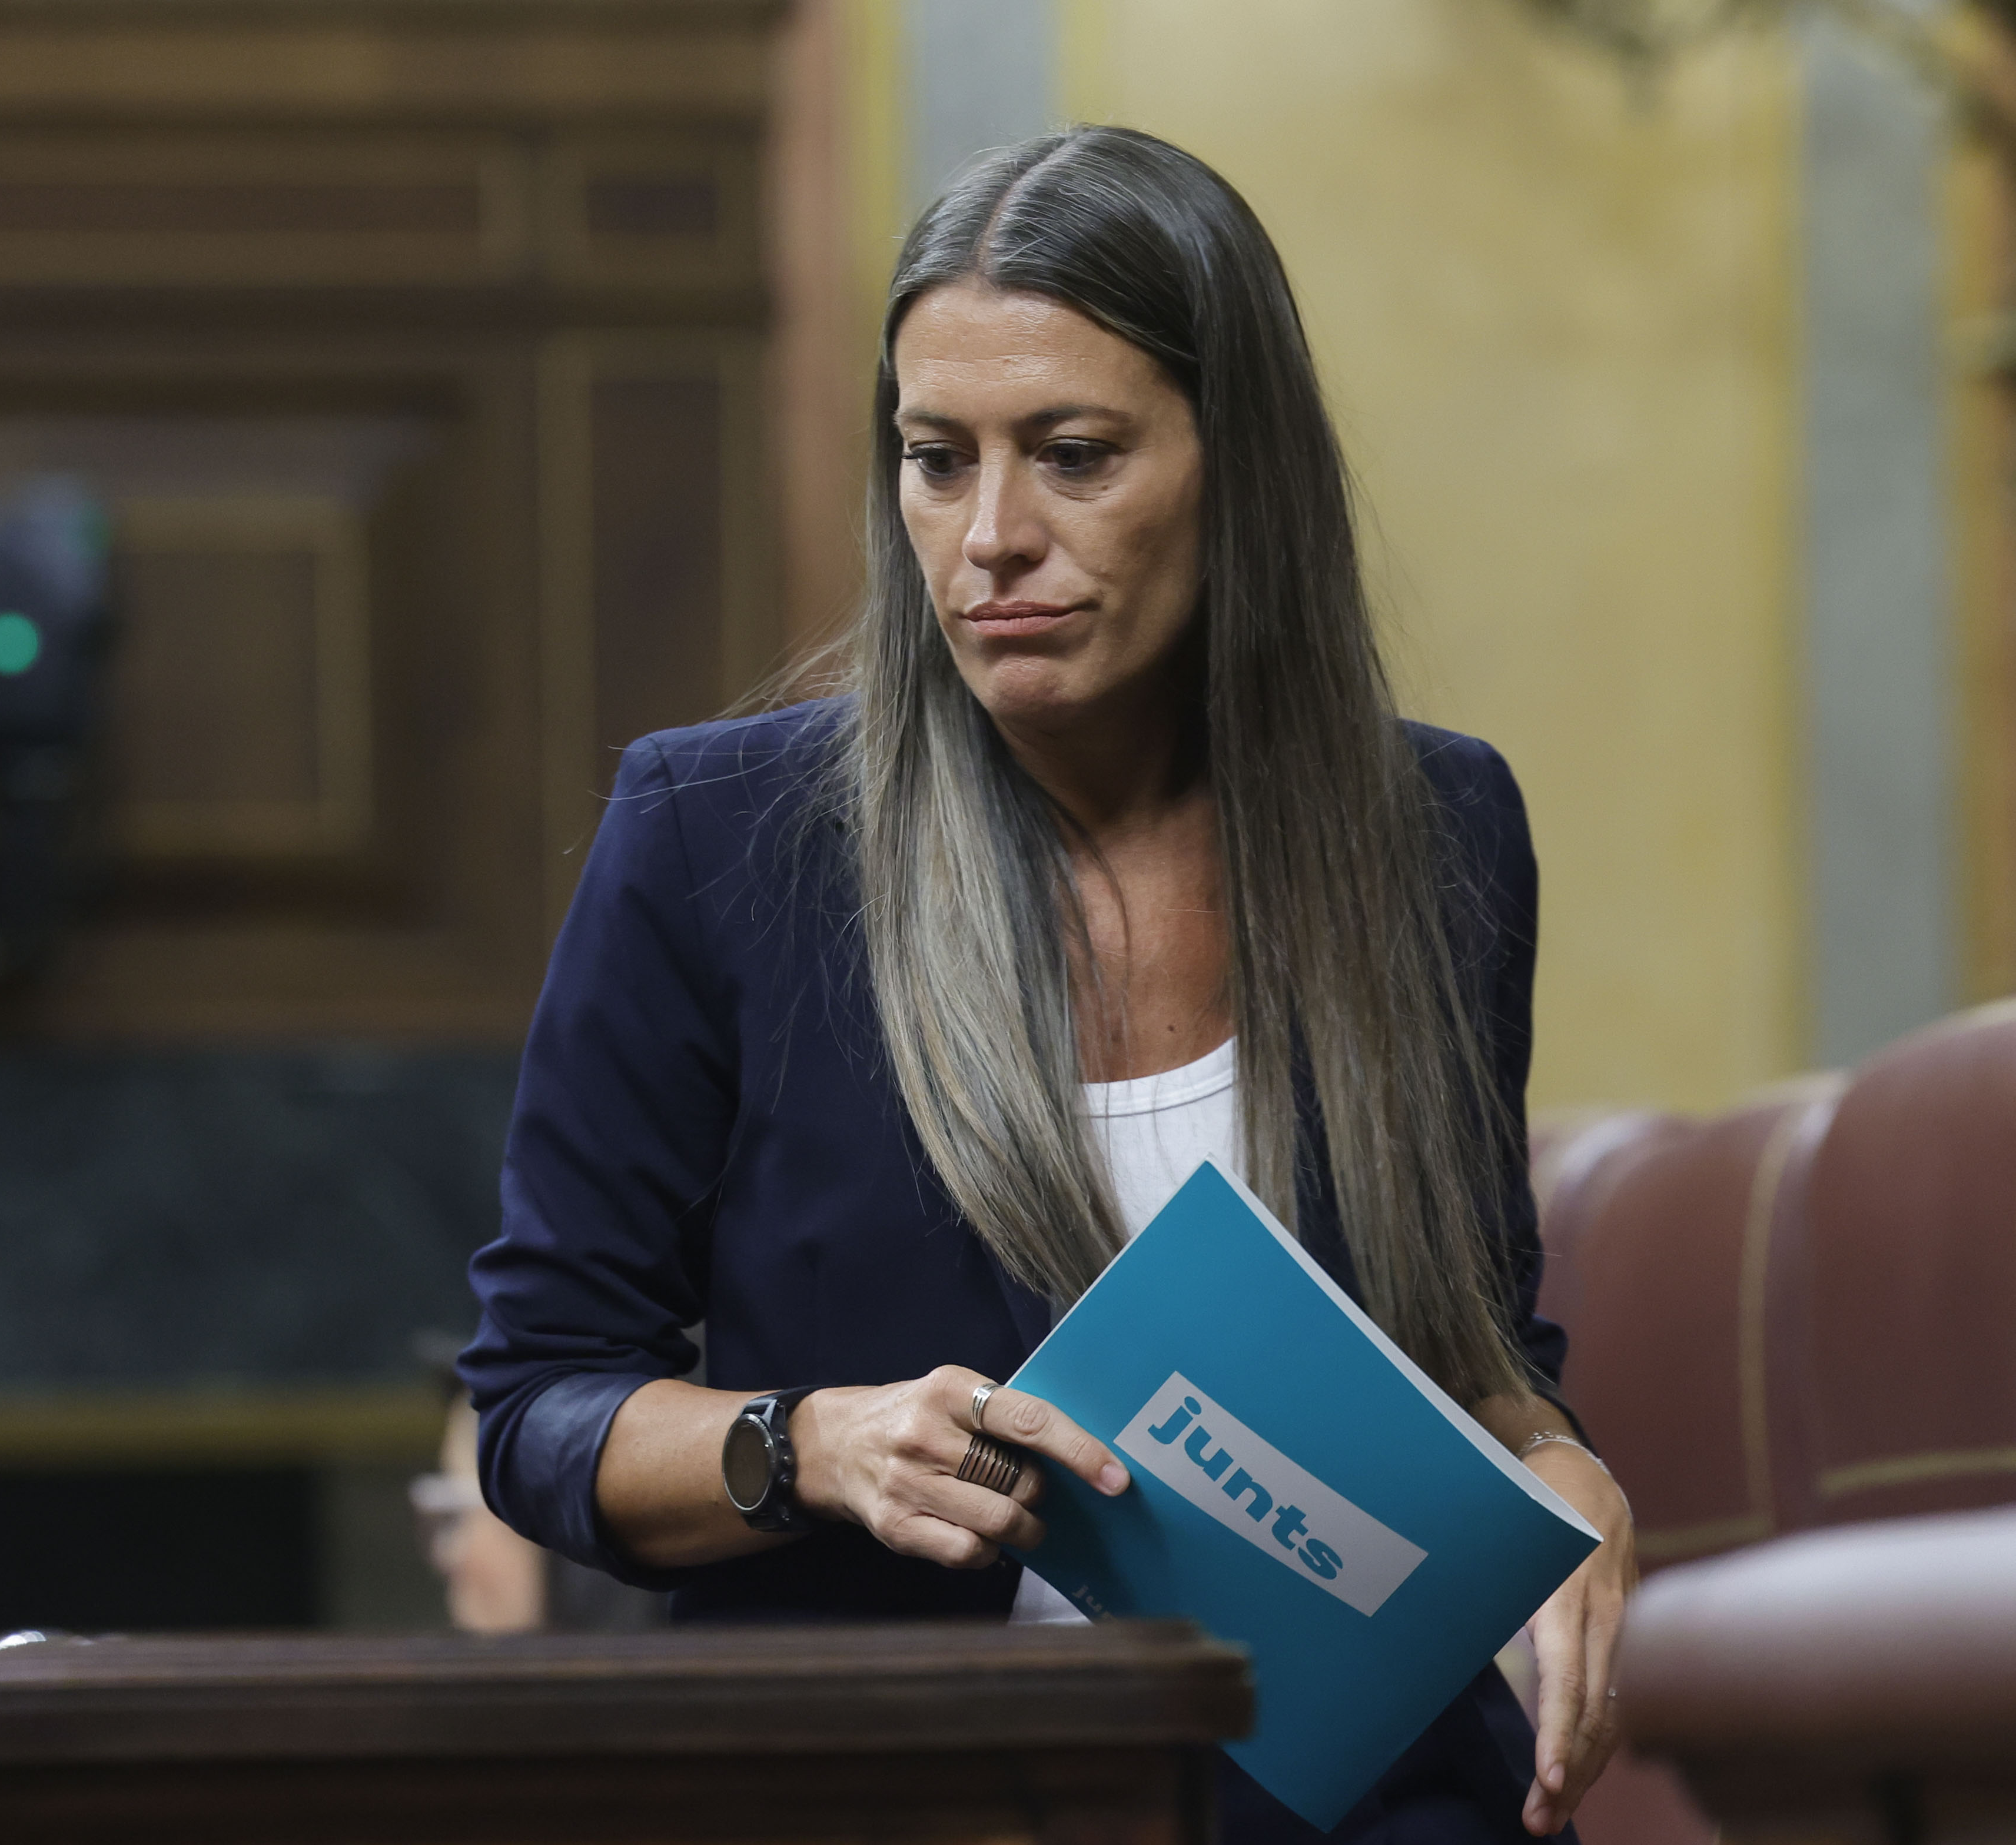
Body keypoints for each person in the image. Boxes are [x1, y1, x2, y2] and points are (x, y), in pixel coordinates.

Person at [459, 125, 1635, 1845]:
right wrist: (811, 1450)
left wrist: (1558, 1474)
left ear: (1243, 468)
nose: (990, 535)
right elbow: (537, 1408)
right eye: (937, 460)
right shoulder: (713, 842)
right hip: (888, 1786)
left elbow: (1463, 1350)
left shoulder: (1436, 827)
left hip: (1351, 1796)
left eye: (1074, 455)